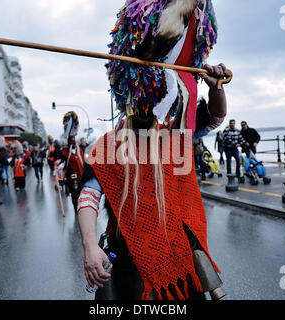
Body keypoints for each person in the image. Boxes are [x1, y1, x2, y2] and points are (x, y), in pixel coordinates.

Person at [77, 0, 226, 301]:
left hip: (183, 261)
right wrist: (91, 246)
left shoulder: (174, 136)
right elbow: (89, 196)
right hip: (130, 262)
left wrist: (216, 88)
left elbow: (216, 119)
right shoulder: (109, 144)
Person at [57, 112, 85, 209]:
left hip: (81, 177)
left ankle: (81, 209)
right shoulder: (65, 152)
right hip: (72, 178)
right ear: (68, 140)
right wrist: (59, 165)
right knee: (75, 195)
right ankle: (76, 209)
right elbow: (62, 163)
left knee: (82, 196)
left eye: (74, 138)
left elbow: (84, 163)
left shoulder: (80, 150)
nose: (73, 140)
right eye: (71, 138)